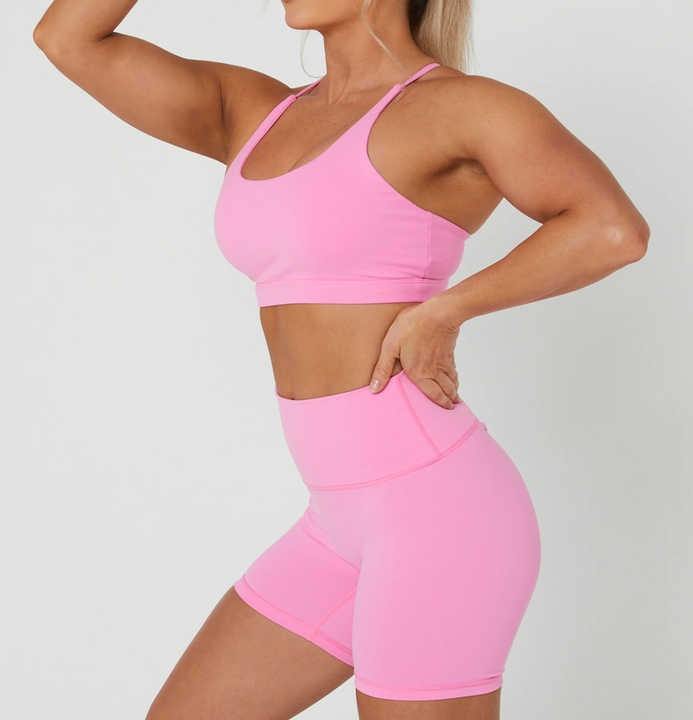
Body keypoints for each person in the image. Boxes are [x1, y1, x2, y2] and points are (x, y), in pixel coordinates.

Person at [33, 1, 649, 718]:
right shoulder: (253, 112)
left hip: (438, 513)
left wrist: (446, 309)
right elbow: (66, 36)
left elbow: (611, 229)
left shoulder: (460, 108)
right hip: (335, 523)